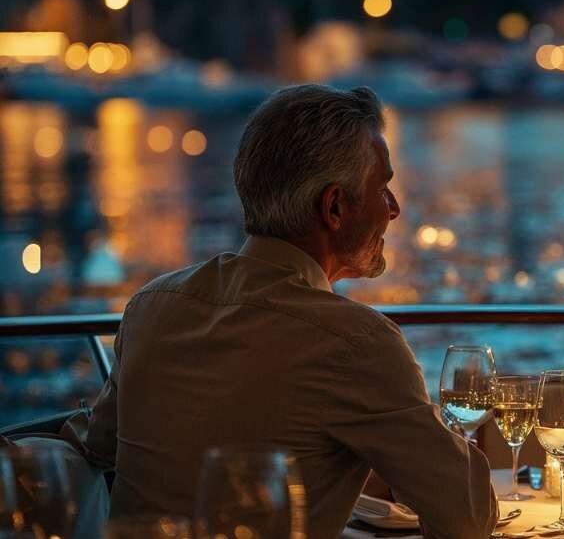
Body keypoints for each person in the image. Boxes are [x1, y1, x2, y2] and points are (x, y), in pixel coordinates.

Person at [63, 85, 498, 538]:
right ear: (333, 208)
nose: (394, 208)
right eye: (383, 188)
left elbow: (100, 442)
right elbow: (465, 519)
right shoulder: (356, 345)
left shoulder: (152, 305)